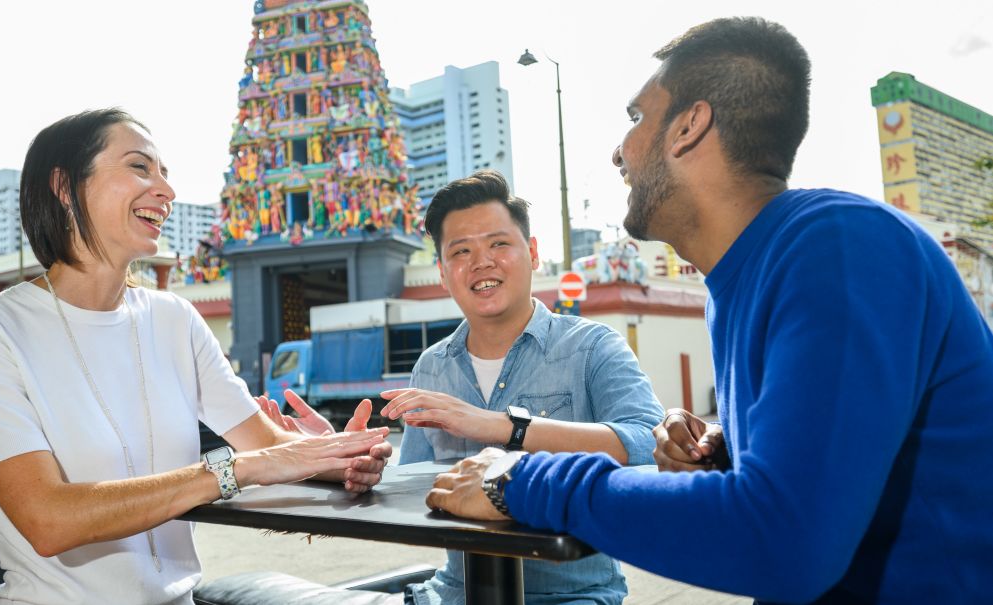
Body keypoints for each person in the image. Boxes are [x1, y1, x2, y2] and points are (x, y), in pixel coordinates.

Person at [424, 17, 993, 604]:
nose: (618, 152)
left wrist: (521, 479)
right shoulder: (744, 279)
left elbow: (785, 542)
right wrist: (725, 452)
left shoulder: (839, 248)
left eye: (635, 118)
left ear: (689, 127)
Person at [0, 108, 392, 605]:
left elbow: (264, 445)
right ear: (65, 187)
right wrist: (232, 470)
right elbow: (48, 519)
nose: (166, 192)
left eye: (165, 175)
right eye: (139, 167)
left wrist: (342, 457)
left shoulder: (174, 318)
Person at [380, 170, 664, 605]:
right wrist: (351, 462)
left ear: (532, 252)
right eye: (461, 251)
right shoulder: (432, 365)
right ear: (441, 272)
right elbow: (413, 488)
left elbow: (649, 445)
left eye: (498, 244)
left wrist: (504, 426)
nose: (482, 262)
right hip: (455, 593)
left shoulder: (593, 347)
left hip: (570, 595)